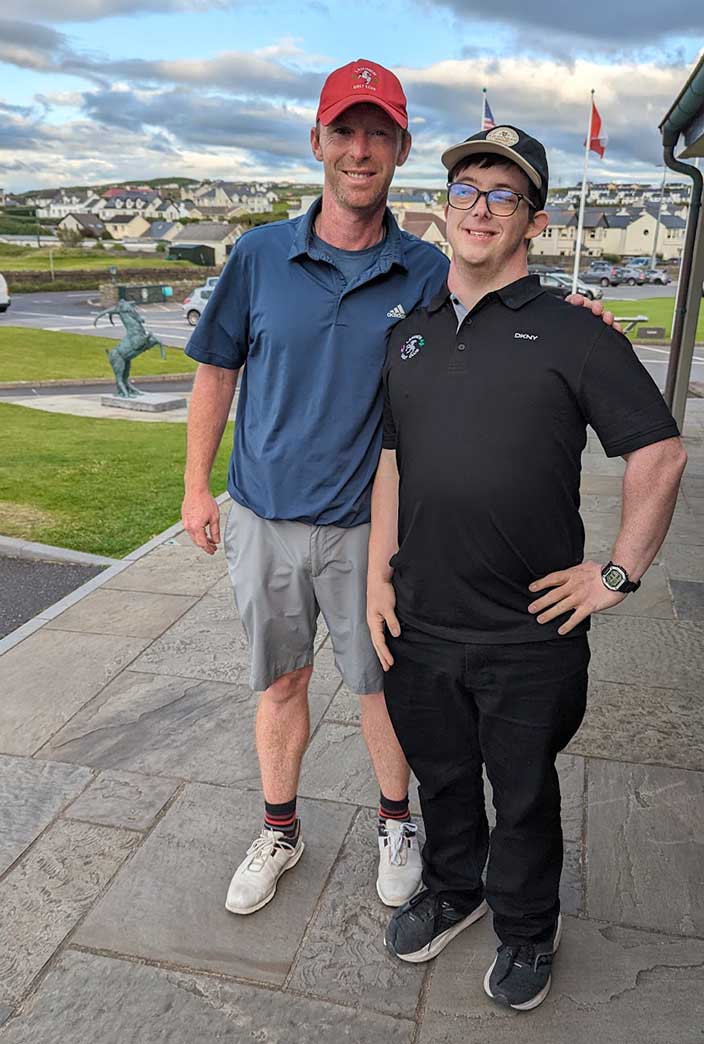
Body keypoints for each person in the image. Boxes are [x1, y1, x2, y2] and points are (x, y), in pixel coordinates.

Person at [181, 63, 612, 919]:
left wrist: (577, 317)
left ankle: (395, 822)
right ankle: (279, 830)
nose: (360, 149)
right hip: (264, 513)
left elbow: (499, 294)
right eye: (345, 131)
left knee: (382, 685)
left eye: (379, 134)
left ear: (402, 149)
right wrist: (197, 487)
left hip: (369, 529)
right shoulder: (261, 255)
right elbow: (217, 371)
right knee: (281, 683)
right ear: (317, 141)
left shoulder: (424, 268)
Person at [368, 125, 686, 1011]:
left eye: (503, 195)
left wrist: (615, 574)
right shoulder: (410, 336)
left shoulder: (575, 334)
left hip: (530, 632)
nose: (480, 209)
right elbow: (391, 462)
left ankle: (527, 926)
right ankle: (453, 889)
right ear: (445, 208)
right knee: (441, 778)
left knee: (523, 794)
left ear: (534, 222)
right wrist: (376, 578)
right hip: (420, 621)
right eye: (466, 190)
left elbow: (660, 452)